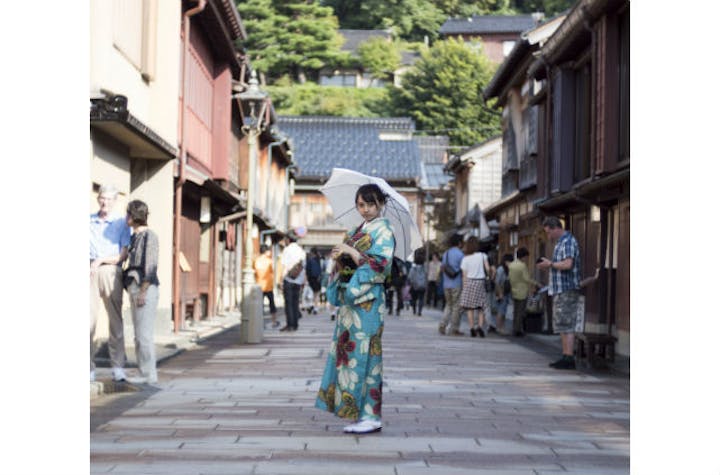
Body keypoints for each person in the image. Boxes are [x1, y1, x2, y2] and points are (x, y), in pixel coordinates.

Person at [315, 183, 395, 434]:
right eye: (361, 204)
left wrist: (351, 251)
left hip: (367, 303)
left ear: (381, 204)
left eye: (371, 204)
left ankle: (371, 415)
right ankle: (360, 413)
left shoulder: (384, 231)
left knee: (367, 357)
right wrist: (340, 258)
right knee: (349, 357)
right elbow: (349, 260)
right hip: (351, 304)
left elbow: (381, 266)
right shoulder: (356, 230)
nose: (366, 209)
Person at [90, 184, 131, 383]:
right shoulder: (88, 221)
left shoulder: (121, 223)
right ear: (98, 199)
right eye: (102, 198)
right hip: (89, 271)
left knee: (115, 321)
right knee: (88, 321)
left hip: (110, 271)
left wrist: (100, 261)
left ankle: (118, 367)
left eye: (108, 198)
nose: (104, 202)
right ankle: (88, 367)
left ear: (115, 201)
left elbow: (123, 254)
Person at [536, 216, 582, 370]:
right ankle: (565, 355)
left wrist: (550, 264)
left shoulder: (568, 241)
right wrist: (549, 265)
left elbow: (568, 264)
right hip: (560, 288)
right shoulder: (560, 242)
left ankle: (569, 357)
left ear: (556, 228)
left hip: (567, 288)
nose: (548, 236)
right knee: (562, 323)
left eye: (549, 233)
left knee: (567, 323)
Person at [123, 200, 160, 384]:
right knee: (138, 335)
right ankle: (142, 371)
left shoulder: (149, 237)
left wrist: (143, 291)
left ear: (135, 215)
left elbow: (151, 266)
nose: (126, 217)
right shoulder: (134, 237)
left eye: (128, 213)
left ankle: (148, 374)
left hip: (145, 287)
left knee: (144, 334)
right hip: (134, 286)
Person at [459, 236, 491, 337]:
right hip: (480, 282)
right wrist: (488, 275)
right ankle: (480, 327)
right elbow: (488, 269)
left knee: (470, 308)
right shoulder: (482, 255)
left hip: (469, 282)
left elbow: (464, 275)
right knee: (480, 307)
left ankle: (472, 328)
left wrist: (464, 288)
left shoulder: (465, 258)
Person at [508, 247, 541, 337]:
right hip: (522, 290)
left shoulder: (512, 265)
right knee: (521, 312)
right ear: (523, 257)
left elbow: (510, 278)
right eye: (526, 257)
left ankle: (515, 328)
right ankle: (518, 330)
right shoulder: (522, 266)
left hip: (514, 289)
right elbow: (527, 278)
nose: (527, 259)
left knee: (515, 311)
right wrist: (537, 283)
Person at [438, 234, 464, 336]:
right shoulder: (460, 254)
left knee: (448, 305)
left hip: (446, 283)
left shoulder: (446, 254)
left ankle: (443, 324)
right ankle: (454, 328)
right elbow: (463, 269)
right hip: (456, 283)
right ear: (459, 243)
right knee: (456, 306)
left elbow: (442, 267)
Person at [279, 231, 306, 332]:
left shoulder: (287, 250)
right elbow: (303, 267)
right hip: (298, 280)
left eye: (285, 239)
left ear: (288, 239)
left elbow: (284, 266)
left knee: (288, 303)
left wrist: (281, 280)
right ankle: (295, 324)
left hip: (289, 279)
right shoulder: (301, 250)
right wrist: (302, 280)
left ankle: (290, 325)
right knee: (295, 303)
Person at [254, 244, 279, 328]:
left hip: (259, 286)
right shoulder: (269, 261)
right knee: (272, 305)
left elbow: (255, 272)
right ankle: (274, 321)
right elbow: (272, 272)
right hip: (268, 286)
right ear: (266, 252)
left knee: (259, 306)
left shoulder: (256, 260)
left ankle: (258, 322)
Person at [494, 253, 514, 334]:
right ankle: (499, 327)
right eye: (510, 262)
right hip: (501, 292)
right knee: (501, 311)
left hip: (506, 292)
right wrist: (500, 293)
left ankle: (502, 327)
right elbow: (497, 282)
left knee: (503, 310)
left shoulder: (507, 269)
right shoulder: (501, 269)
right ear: (506, 261)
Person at [407, 249, 426, 316]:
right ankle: (419, 311)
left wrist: (410, 282)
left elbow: (410, 276)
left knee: (414, 298)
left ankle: (414, 310)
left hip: (415, 285)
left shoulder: (413, 267)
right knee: (421, 298)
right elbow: (427, 275)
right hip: (422, 284)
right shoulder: (425, 266)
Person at [306, 247, 323, 314]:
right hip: (318, 279)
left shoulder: (310, 260)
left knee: (311, 293)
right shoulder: (319, 260)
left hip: (311, 279)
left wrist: (307, 279)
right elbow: (321, 270)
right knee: (317, 294)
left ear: (312, 252)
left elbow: (307, 270)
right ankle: (315, 308)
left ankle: (311, 305)